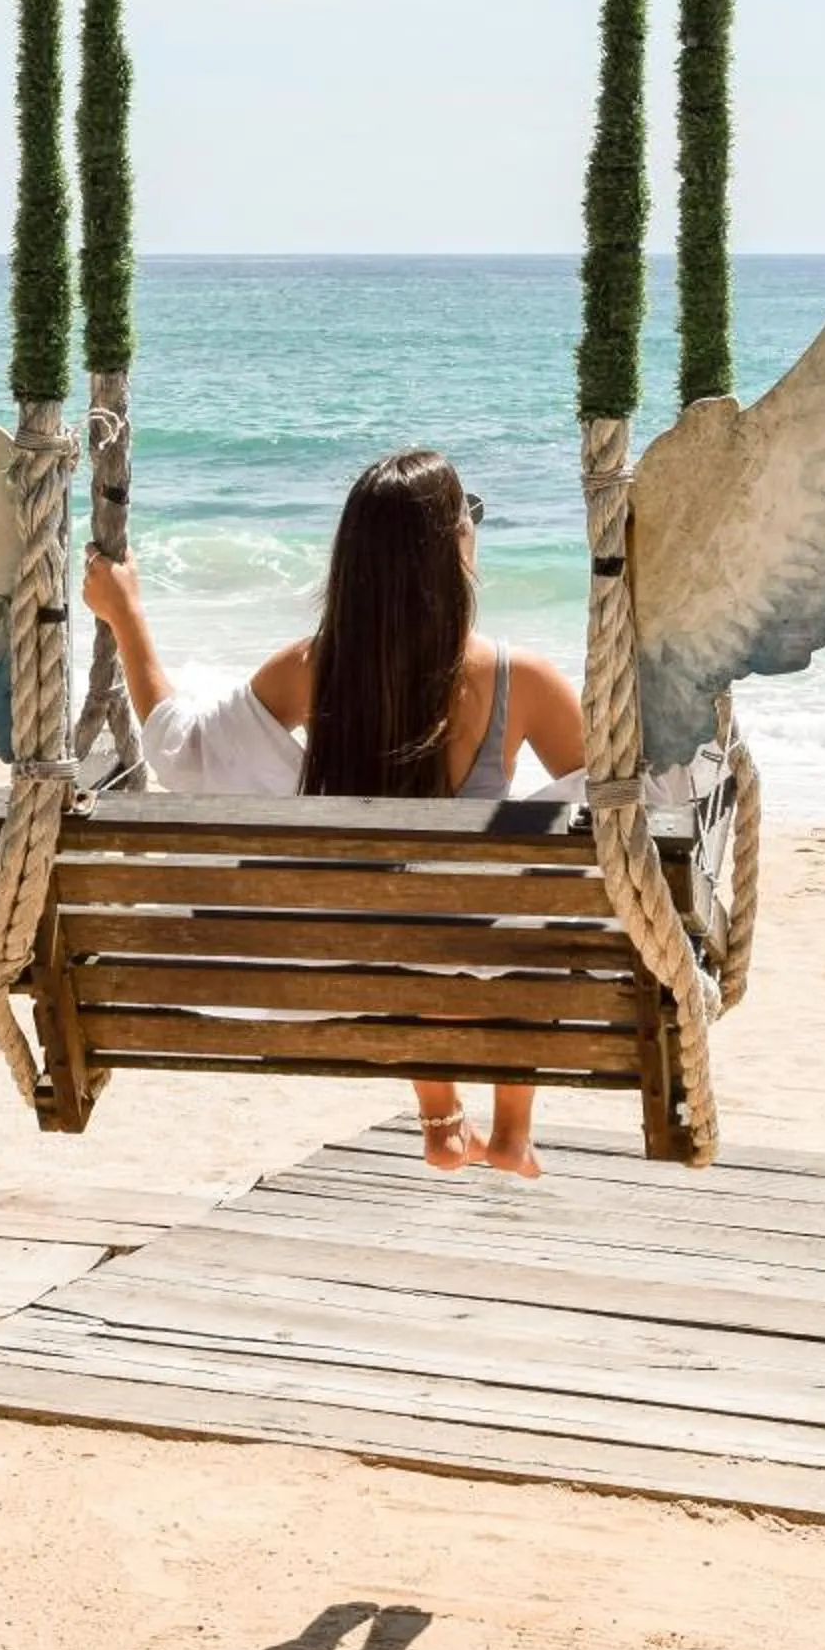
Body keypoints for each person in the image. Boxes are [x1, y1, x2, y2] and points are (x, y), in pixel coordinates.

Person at [80, 446, 588, 1180]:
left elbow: (182, 752)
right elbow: (611, 792)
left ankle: (441, 1118)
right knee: (522, 909)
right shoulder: (521, 679)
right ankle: (512, 1131)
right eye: (466, 518)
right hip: (476, 957)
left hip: (364, 951)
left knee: (407, 911)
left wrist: (127, 618)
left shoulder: (310, 667)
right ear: (453, 550)